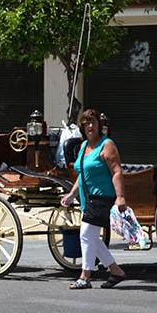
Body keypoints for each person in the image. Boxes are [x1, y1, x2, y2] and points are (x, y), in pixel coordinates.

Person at [60, 109, 128, 289]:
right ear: (82, 127)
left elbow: (116, 172)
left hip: (102, 197)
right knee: (92, 238)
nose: (90, 126)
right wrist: (71, 194)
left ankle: (85, 276)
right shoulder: (83, 147)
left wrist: (120, 197)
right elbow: (82, 175)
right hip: (87, 199)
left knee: (85, 235)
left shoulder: (107, 145)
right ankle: (115, 271)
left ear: (99, 125)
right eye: (86, 123)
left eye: (93, 122)